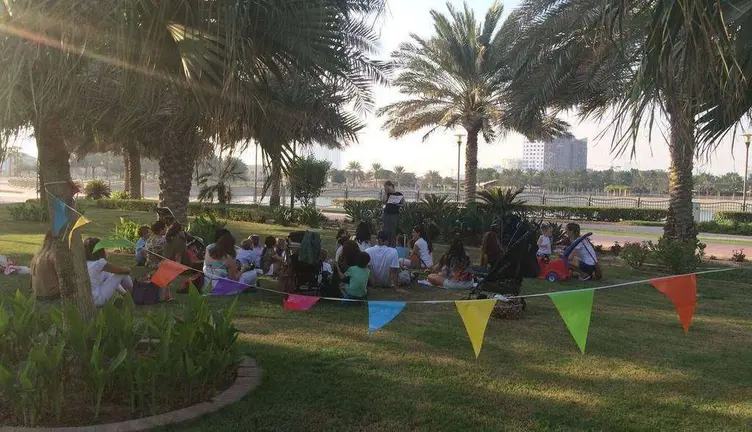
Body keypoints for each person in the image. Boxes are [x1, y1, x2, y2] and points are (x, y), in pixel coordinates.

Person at [84, 237, 133, 307]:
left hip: (88, 299)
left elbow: (111, 277)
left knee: (108, 274)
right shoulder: (100, 263)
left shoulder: (85, 263)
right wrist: (128, 269)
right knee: (122, 274)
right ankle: (133, 294)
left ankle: (125, 294)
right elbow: (121, 271)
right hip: (97, 300)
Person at [30, 232, 59, 300]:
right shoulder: (54, 255)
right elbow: (63, 277)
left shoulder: (38, 254)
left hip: (36, 293)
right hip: (51, 294)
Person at [381, 181, 403, 245]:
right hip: (386, 214)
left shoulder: (399, 194)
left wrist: (397, 204)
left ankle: (392, 245)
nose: (386, 188)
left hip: (394, 215)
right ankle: (385, 244)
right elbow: (383, 201)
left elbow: (403, 203)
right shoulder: (387, 194)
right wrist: (386, 192)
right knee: (385, 230)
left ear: (391, 186)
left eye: (387, 187)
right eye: (385, 187)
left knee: (393, 231)